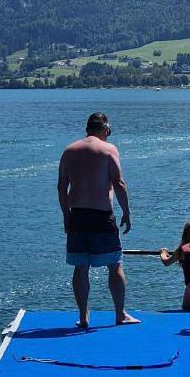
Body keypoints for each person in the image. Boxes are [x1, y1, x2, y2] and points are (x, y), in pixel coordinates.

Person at [57, 112, 139, 328]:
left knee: (80, 267)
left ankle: (83, 316)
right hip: (101, 215)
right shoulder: (108, 149)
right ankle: (120, 313)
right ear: (105, 129)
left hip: (77, 215)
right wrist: (127, 212)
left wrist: (66, 215)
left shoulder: (69, 150)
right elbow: (119, 183)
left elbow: (61, 187)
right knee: (115, 265)